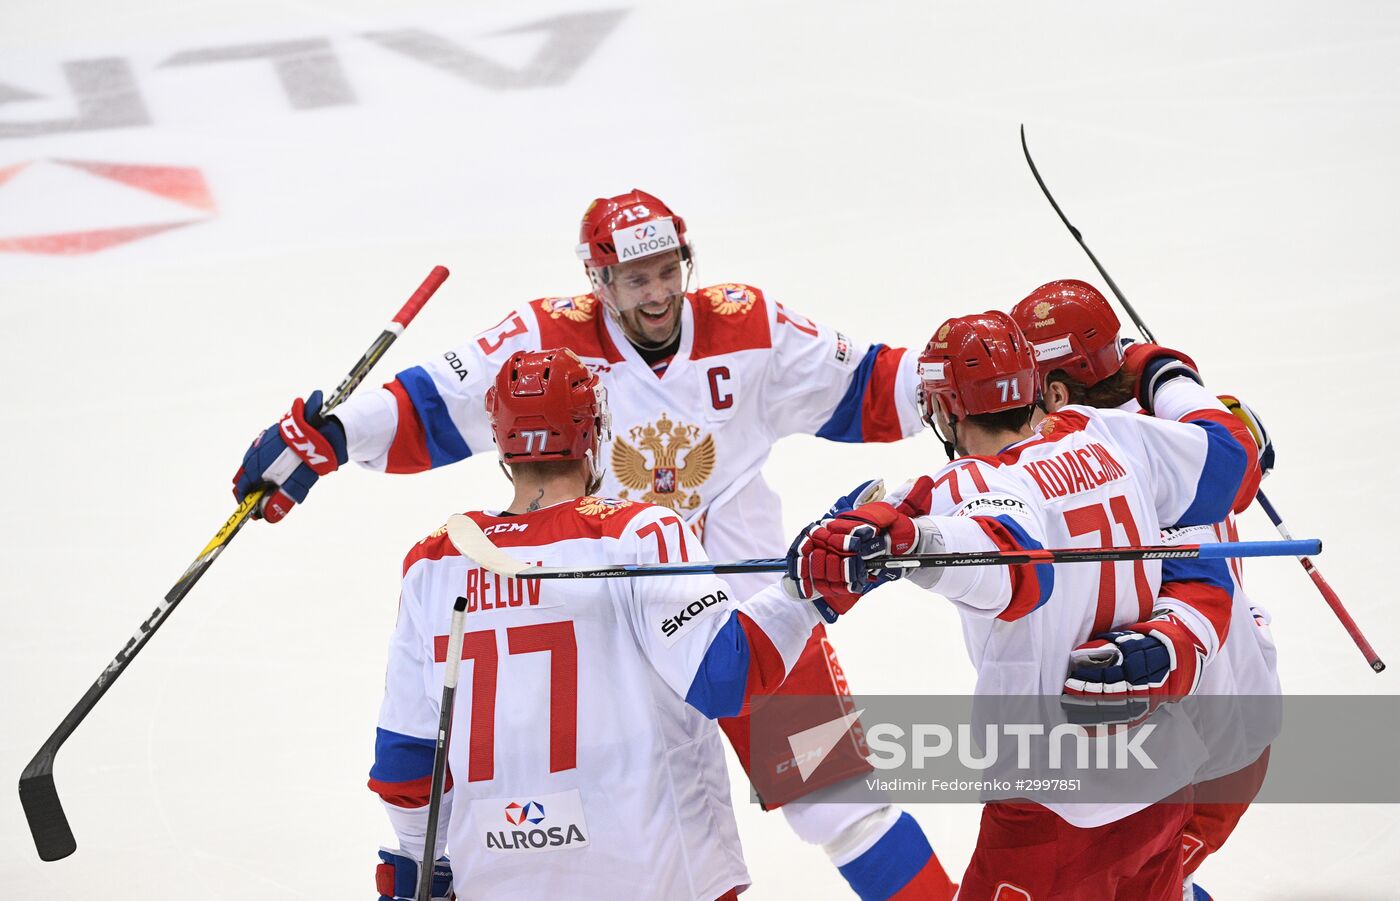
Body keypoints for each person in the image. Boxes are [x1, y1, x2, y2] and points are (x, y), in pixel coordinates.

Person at [234, 190, 946, 897]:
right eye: (638, 279)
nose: (660, 293)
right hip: (615, 630)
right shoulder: (545, 336)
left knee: (842, 803)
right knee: (623, 841)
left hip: (754, 616)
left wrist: (967, 381)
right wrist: (330, 435)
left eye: (670, 271)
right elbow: (431, 401)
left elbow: (871, 383)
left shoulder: (747, 323)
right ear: (597, 280)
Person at [367, 348, 954, 900]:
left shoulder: (435, 562)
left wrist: (425, 864)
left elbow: (405, 761)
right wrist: (809, 592)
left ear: (500, 440)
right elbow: (725, 678)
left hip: (498, 879)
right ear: (594, 433)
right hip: (654, 874)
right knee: (843, 802)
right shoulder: (637, 533)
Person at [786, 310, 1262, 900]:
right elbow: (1227, 462)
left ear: (945, 410)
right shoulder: (1108, 433)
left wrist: (911, 545)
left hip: (1054, 805)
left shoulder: (976, 488)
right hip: (1162, 780)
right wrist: (1164, 374)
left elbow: (1011, 566)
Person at [1010, 280, 1281, 900]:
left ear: (1053, 390)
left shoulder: (1114, 461)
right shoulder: (1168, 430)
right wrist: (1167, 374)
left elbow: (1200, 583)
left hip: (1204, 755)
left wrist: (1161, 649)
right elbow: (1230, 449)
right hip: (1226, 722)